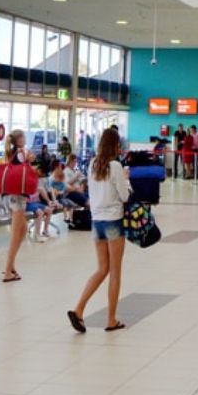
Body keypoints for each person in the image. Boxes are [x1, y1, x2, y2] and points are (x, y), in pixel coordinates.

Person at [68, 128, 129, 333]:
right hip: (113, 223)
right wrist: (126, 180)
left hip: (97, 223)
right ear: (115, 146)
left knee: (102, 268)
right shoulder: (116, 166)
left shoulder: (94, 164)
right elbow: (125, 196)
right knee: (115, 272)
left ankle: (78, 309)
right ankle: (111, 319)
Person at [2, 130, 29, 282]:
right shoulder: (20, 153)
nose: (25, 139)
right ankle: (7, 270)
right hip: (17, 196)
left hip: (13, 194)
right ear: (19, 140)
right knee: (16, 233)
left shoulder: (11, 153)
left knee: (23, 229)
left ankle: (10, 266)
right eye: (23, 136)